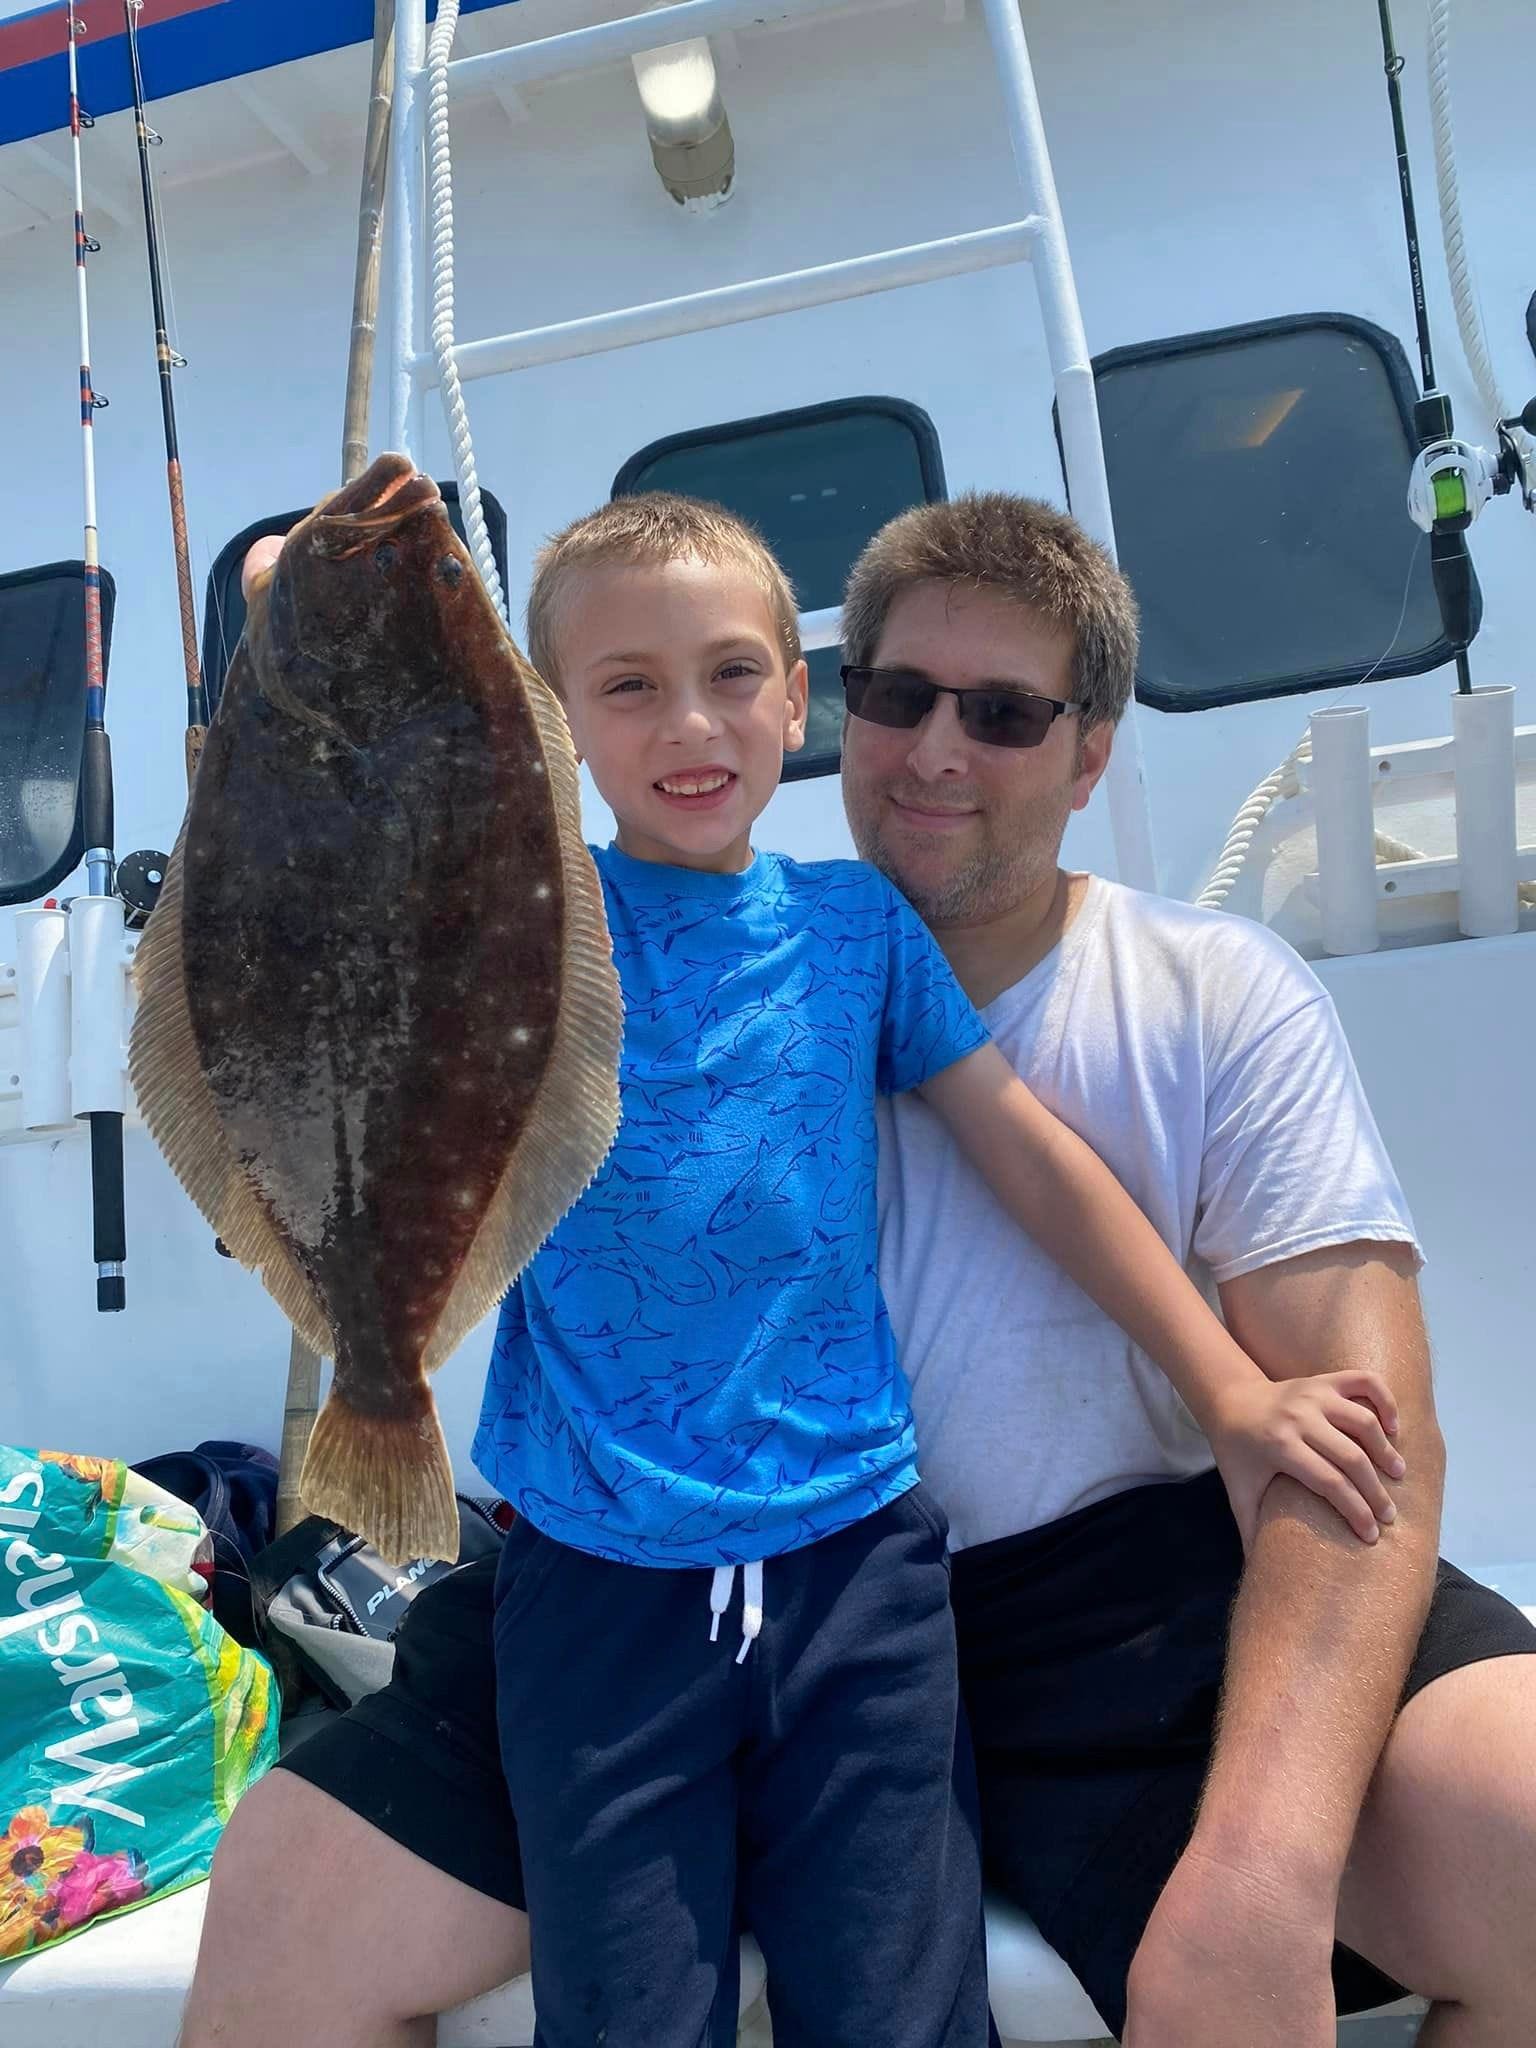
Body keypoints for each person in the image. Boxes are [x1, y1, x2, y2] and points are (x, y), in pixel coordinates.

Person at [182, 494, 1536, 2048]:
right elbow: (366, 910)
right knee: (331, 1929)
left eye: (1009, 713)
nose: (940, 749)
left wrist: (1263, 1861)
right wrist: (309, 671)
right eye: (905, 696)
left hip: (944, 1599)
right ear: (855, 707)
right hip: (608, 1568)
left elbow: (1304, 1376)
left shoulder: (1122, 980)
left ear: (1090, 754)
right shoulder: (547, 932)